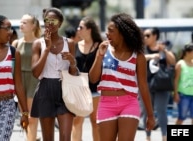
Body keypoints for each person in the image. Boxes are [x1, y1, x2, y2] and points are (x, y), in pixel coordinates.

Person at [88, 13, 156, 141]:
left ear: (123, 33)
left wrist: (150, 115)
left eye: (111, 31)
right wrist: (99, 56)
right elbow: (93, 79)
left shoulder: (138, 55)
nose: (107, 33)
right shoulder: (104, 51)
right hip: (106, 104)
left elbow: (143, 85)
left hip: (129, 103)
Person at [31, 7, 77, 141]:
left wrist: (72, 62)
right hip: (45, 89)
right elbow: (35, 72)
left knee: (65, 137)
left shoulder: (70, 43)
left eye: (54, 20)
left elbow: (73, 74)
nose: (50, 23)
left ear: (60, 23)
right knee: (48, 138)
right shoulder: (38, 44)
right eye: (47, 20)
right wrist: (47, 49)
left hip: (65, 89)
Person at [70, 17, 102, 141]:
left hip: (96, 90)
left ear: (89, 29)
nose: (78, 29)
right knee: (77, 122)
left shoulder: (100, 45)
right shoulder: (75, 46)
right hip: (79, 90)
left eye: (81, 27)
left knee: (95, 122)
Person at [11, 13, 42, 141]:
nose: (21, 25)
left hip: (34, 80)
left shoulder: (40, 42)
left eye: (25, 22)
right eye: (21, 22)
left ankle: (31, 138)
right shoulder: (16, 43)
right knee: (24, 116)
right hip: (19, 81)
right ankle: (32, 138)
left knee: (32, 117)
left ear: (33, 26)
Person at [142, 27, 176, 141]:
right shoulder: (143, 49)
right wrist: (151, 56)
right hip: (145, 85)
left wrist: (164, 50)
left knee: (161, 111)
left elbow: (173, 62)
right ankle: (148, 137)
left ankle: (164, 137)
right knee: (147, 112)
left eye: (147, 35)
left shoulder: (163, 49)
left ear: (155, 36)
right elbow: (138, 59)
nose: (145, 38)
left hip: (162, 85)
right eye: (144, 35)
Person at [173, 43, 193, 125]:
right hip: (183, 95)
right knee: (181, 117)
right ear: (188, 52)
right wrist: (175, 93)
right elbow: (176, 80)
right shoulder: (180, 64)